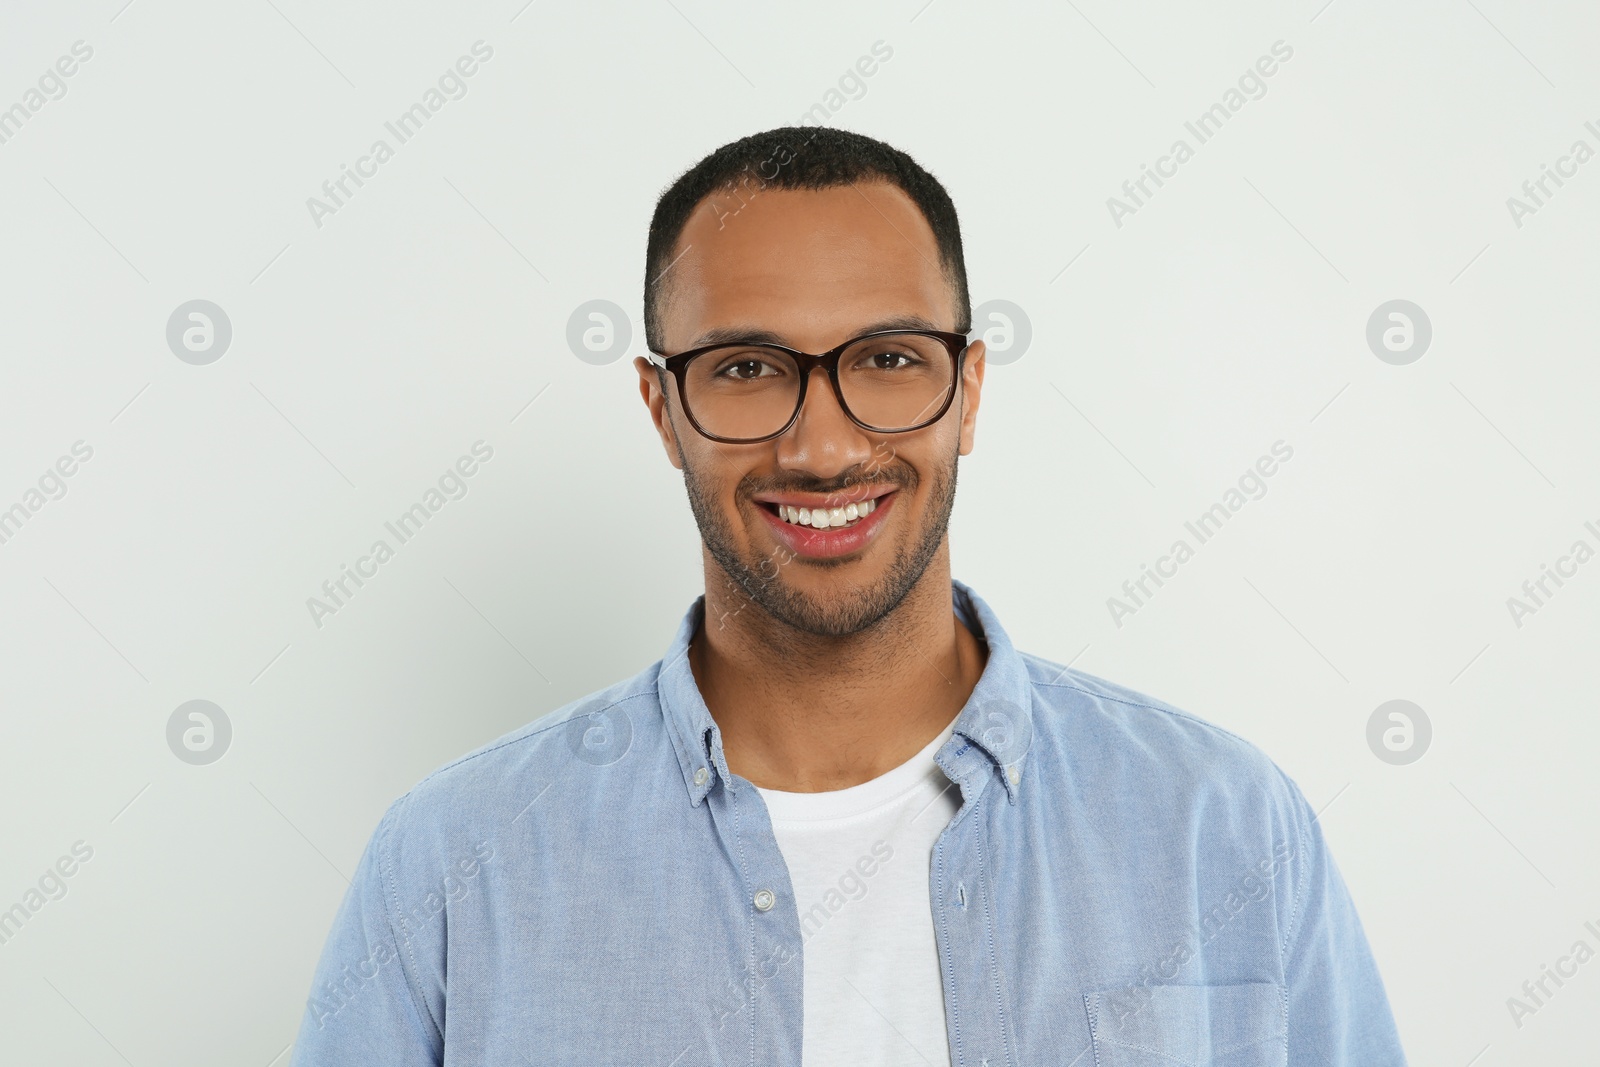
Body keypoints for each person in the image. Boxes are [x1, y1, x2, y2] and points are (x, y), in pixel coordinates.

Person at [289, 126, 1407, 1066]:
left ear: (965, 391)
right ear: (659, 409)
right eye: (744, 367)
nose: (821, 446)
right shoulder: (449, 861)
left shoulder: (1224, 826)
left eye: (886, 358)